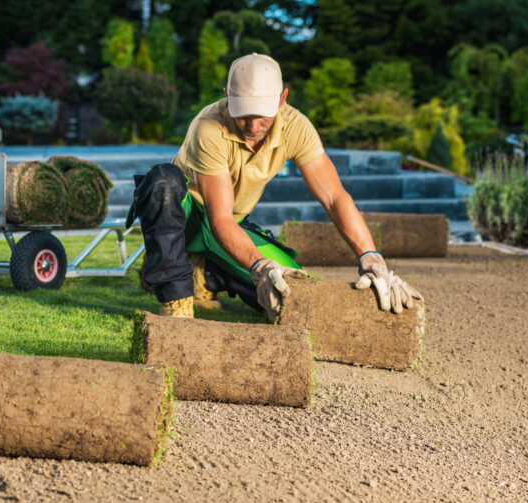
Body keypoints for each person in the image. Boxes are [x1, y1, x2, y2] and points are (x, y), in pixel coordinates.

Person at [127, 53, 422, 319]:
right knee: (163, 179)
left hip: (232, 225)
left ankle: (202, 273)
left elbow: (334, 197)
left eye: (262, 115)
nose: (253, 127)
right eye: (243, 114)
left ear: (282, 99)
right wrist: (261, 268)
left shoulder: (296, 127)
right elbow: (218, 220)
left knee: (294, 294)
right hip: (187, 218)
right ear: (227, 95)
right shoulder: (208, 128)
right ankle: (174, 289)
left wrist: (371, 258)